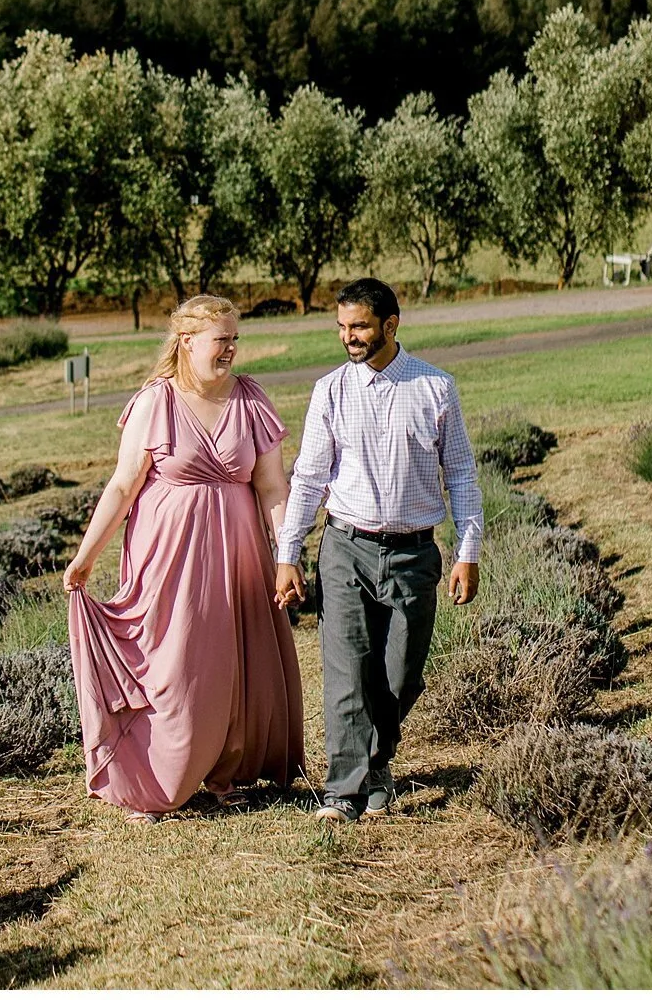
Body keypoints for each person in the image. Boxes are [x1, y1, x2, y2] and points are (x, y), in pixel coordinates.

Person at [64, 293, 304, 821]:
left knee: (231, 660)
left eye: (235, 339)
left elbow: (271, 488)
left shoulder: (252, 401)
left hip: (237, 553)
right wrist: (85, 557)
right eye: (222, 339)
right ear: (187, 341)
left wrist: (288, 551)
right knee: (170, 660)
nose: (231, 350)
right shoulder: (156, 402)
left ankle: (225, 772)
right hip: (167, 556)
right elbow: (124, 485)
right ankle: (153, 779)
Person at [274, 277, 483, 823]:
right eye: (342, 327)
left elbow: (460, 473)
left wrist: (468, 550)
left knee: (399, 677)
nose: (349, 338)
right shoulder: (329, 391)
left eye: (360, 326)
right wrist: (288, 553)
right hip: (345, 549)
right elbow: (308, 478)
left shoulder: (436, 388)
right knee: (346, 674)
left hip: (415, 555)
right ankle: (343, 792)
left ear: (391, 325)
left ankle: (378, 762)